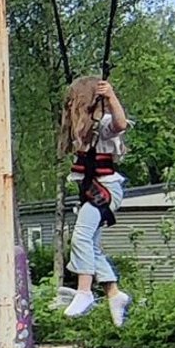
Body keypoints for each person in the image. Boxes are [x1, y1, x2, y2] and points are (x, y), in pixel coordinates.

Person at [58, 74, 129, 325]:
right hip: (92, 192)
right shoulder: (82, 128)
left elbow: (121, 124)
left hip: (105, 191)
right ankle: (114, 294)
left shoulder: (104, 124)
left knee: (80, 237)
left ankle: (85, 291)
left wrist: (110, 97)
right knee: (92, 247)